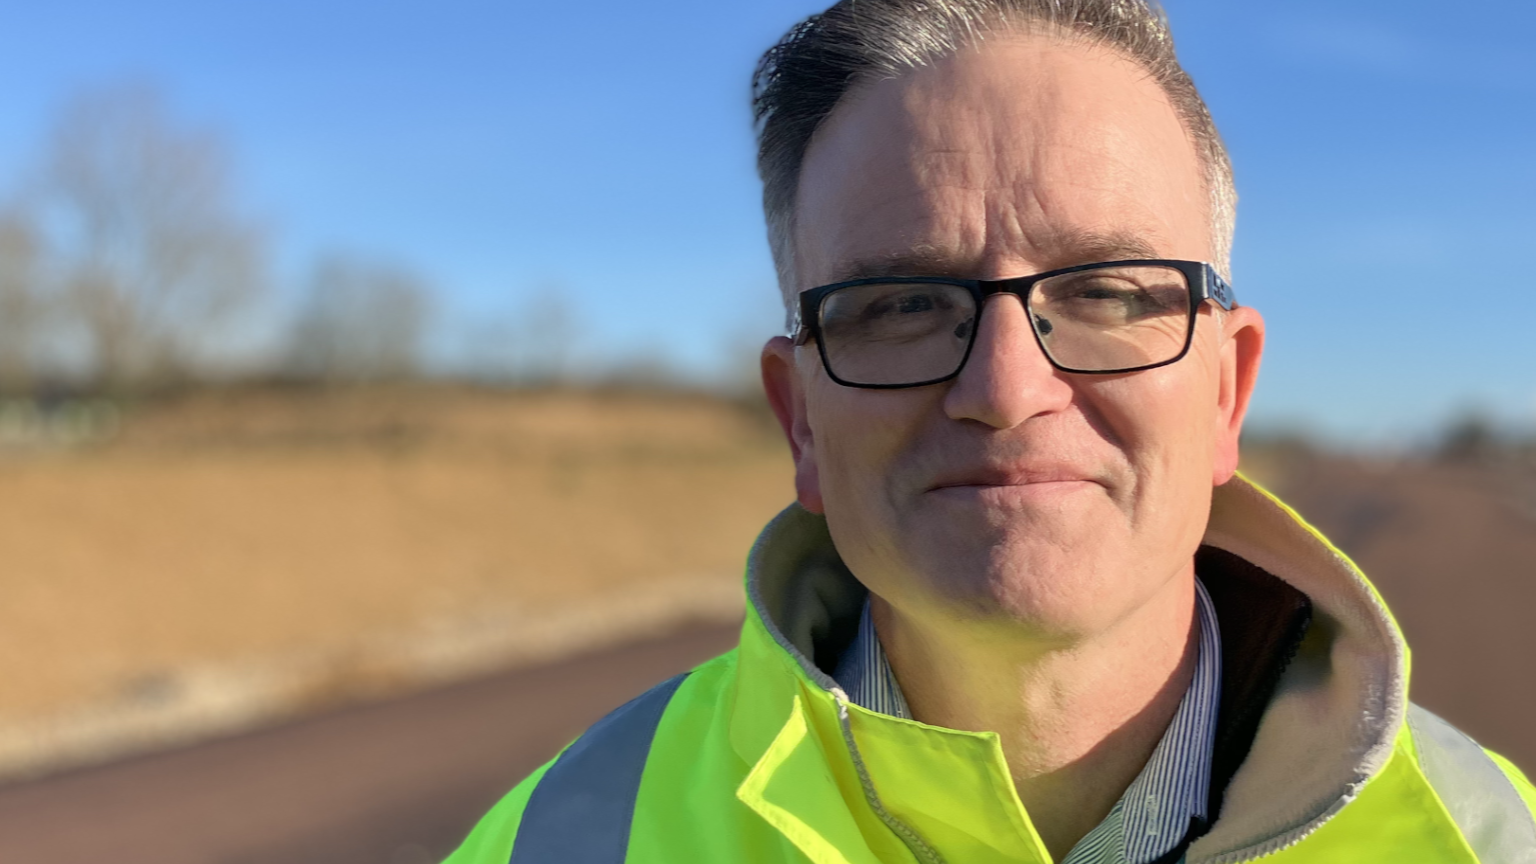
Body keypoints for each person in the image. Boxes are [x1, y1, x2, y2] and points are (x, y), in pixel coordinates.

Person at [448, 1, 1536, 861]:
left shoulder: (1491, 842)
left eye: (1109, 292)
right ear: (802, 422)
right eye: (902, 305)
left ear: (1224, 393)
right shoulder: (557, 843)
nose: (1007, 389)